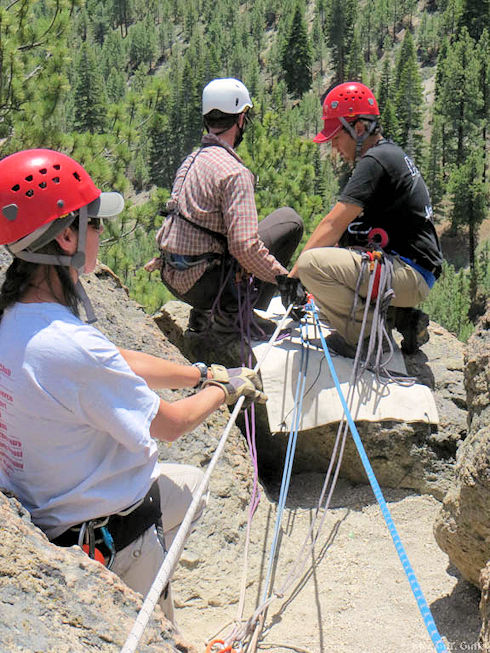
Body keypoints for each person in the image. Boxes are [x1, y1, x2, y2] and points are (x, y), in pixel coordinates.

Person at [0, 148, 266, 622]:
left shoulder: (21, 321)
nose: (100, 232)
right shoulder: (72, 345)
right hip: (109, 535)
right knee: (160, 626)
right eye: (94, 223)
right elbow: (172, 424)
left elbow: (114, 361)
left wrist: (200, 373)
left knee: (191, 488)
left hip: (48, 512)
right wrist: (229, 387)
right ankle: (152, 596)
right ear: (66, 236)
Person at [290, 81, 443, 355]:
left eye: (337, 137)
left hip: (408, 272)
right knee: (328, 291)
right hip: (413, 271)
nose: (334, 147)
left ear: (358, 129)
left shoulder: (374, 161)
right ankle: (399, 318)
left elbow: (332, 223)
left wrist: (294, 276)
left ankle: (365, 338)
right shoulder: (388, 155)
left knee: (313, 266)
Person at [146, 77, 304, 336]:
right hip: (204, 283)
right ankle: (232, 314)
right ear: (241, 118)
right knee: (289, 221)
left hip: (174, 275)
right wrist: (283, 280)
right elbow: (244, 247)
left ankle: (205, 313)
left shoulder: (191, 160)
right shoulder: (234, 172)